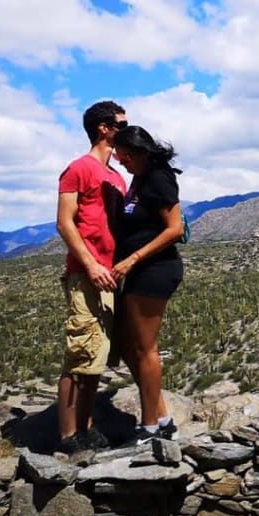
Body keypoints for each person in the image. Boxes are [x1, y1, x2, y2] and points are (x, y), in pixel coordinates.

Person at [54, 100, 127, 454]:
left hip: (112, 275)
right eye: (121, 124)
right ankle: (69, 435)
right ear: (103, 127)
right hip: (87, 274)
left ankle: (87, 426)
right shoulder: (77, 169)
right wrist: (91, 264)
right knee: (80, 352)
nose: (125, 129)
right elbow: (65, 222)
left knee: (96, 355)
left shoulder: (116, 176)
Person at [111, 124, 185, 444]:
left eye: (124, 156)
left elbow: (174, 229)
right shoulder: (139, 179)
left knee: (145, 349)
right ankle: (163, 417)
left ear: (138, 152)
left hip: (155, 269)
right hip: (141, 271)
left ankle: (150, 427)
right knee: (129, 346)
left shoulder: (157, 178)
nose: (121, 161)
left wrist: (132, 259)